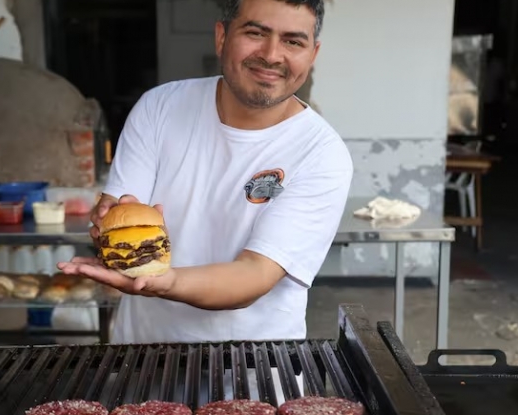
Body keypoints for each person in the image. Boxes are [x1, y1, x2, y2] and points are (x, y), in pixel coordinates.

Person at [58, 0, 353, 344]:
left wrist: (165, 282)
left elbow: (254, 275)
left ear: (312, 53)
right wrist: (107, 222)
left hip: (252, 373)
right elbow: (121, 210)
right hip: (142, 359)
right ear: (221, 36)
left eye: (293, 41)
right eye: (255, 33)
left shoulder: (321, 153)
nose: (272, 55)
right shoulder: (159, 108)